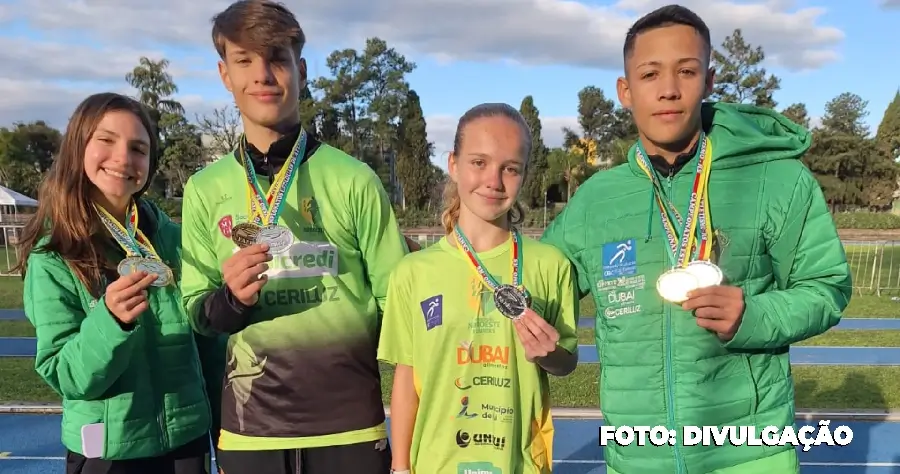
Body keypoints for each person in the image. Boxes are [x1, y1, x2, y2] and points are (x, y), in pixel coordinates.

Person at [541, 5, 851, 474]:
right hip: (637, 457)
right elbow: (536, 281)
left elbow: (826, 286)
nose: (668, 89)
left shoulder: (777, 179)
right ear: (625, 90)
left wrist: (754, 313)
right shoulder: (594, 200)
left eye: (686, 71)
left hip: (750, 456)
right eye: (649, 74)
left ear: (708, 81)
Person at [179, 1, 409, 473]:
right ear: (225, 74)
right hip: (249, 434)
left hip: (350, 429)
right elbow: (196, 312)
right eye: (245, 60)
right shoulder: (204, 190)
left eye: (277, 58)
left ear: (300, 70)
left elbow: (399, 303)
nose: (263, 74)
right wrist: (230, 302)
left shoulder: (354, 179)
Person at [17, 92, 217, 474]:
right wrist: (110, 321)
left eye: (138, 148)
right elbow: (66, 375)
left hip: (186, 442)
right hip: (107, 450)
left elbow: (208, 342)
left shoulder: (175, 240)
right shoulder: (54, 255)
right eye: (106, 141)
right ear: (78, 147)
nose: (124, 158)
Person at [377, 103, 580, 474]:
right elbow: (406, 381)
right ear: (453, 164)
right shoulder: (412, 272)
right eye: (479, 163)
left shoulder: (551, 265)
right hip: (434, 465)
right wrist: (400, 466)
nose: (494, 180)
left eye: (510, 168)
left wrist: (548, 354)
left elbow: (566, 362)